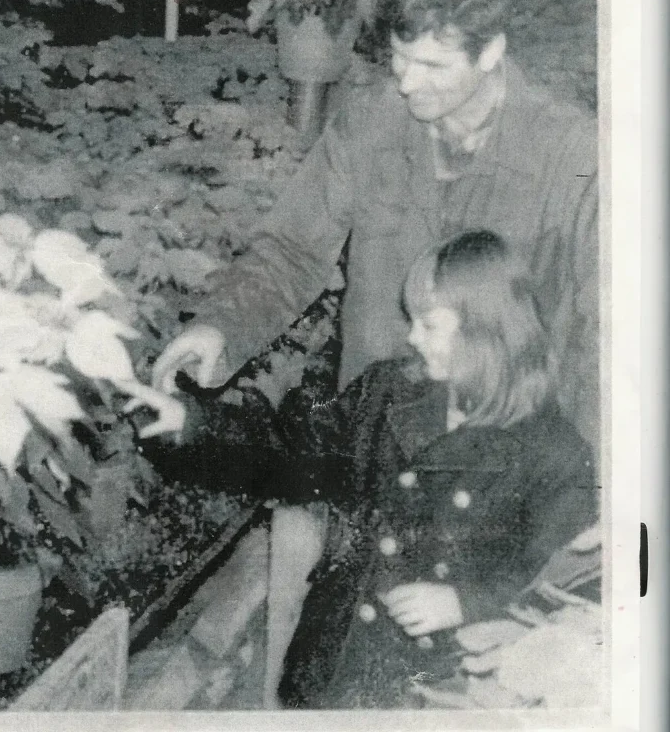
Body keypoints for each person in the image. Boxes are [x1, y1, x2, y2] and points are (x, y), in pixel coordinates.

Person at [152, 0, 599, 457]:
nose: (407, 83)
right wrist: (222, 326)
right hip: (376, 434)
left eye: (432, 66)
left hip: (510, 453)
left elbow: (601, 327)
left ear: (491, 51)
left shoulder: (571, 153)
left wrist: (593, 483)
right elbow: (293, 249)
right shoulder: (370, 121)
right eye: (399, 58)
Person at [136, 230, 598, 709]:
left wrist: (463, 602)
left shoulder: (557, 457)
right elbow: (290, 453)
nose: (412, 336)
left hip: (447, 686)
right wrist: (194, 423)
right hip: (341, 656)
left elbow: (562, 590)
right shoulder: (389, 391)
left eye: (429, 324)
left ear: (485, 330)